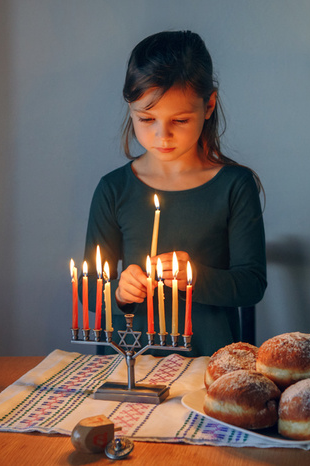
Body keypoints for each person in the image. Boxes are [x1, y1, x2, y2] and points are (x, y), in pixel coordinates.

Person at [82, 30, 266, 357]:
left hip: (209, 363)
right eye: (146, 119)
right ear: (130, 108)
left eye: (180, 120)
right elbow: (90, 293)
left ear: (209, 105)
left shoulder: (234, 186)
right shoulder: (114, 189)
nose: (161, 135)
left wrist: (195, 278)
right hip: (130, 362)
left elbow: (251, 285)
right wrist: (119, 292)